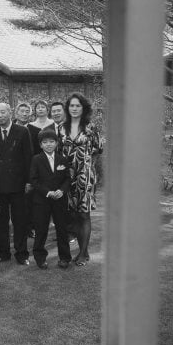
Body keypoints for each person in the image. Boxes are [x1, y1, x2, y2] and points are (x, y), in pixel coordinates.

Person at [0, 103, 33, 265]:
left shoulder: (22, 131)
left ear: (10, 113)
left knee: (20, 221)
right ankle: (4, 253)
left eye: (3, 112)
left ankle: (21, 254)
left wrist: (28, 181)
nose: (0, 115)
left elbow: (28, 157)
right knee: (1, 221)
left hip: (19, 184)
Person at [62, 92, 104, 266]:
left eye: (77, 105)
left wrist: (87, 164)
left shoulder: (90, 128)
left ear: (83, 107)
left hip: (85, 177)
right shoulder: (61, 128)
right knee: (72, 214)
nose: (74, 108)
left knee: (83, 214)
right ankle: (83, 253)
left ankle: (83, 253)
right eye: (71, 105)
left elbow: (99, 149)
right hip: (66, 176)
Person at [29, 128, 73, 269]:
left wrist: (61, 190)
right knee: (41, 229)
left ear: (57, 143)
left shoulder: (62, 160)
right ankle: (40, 258)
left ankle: (65, 258)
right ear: (41, 145)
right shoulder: (36, 159)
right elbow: (34, 180)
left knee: (62, 229)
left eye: (52, 142)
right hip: (42, 200)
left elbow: (67, 178)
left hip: (59, 199)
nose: (49, 144)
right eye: (45, 142)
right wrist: (48, 192)